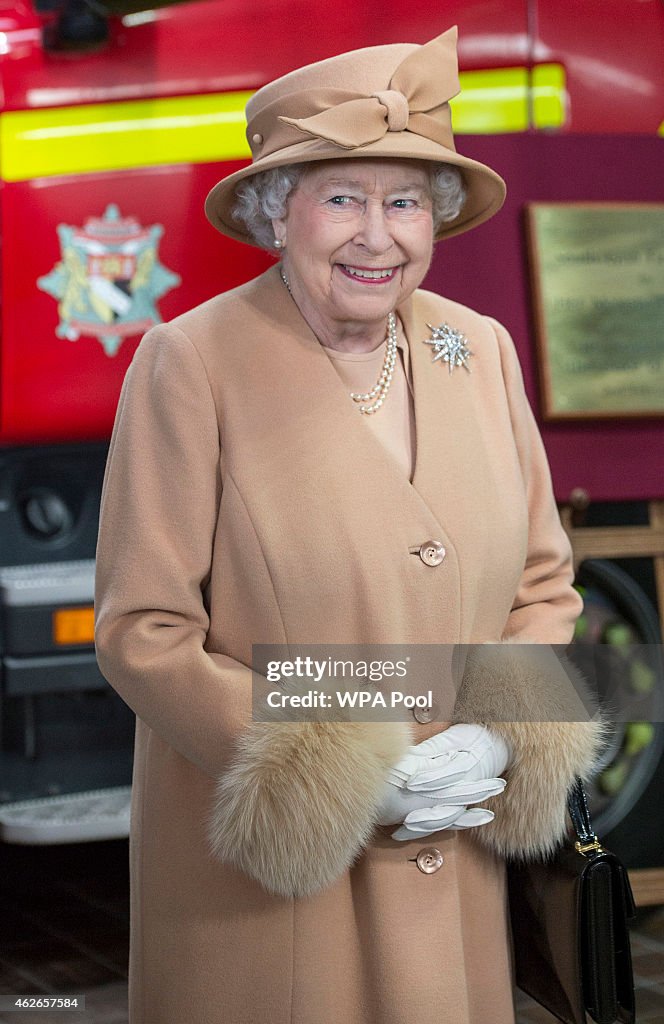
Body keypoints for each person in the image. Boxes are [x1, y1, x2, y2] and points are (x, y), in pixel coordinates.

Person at [94, 27, 604, 1024]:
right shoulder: (189, 363)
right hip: (269, 903)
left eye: (406, 201)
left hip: (450, 876)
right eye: (343, 199)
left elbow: (542, 591)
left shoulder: (480, 350)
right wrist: (336, 764)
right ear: (274, 214)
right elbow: (141, 634)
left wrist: (502, 738)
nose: (380, 236)